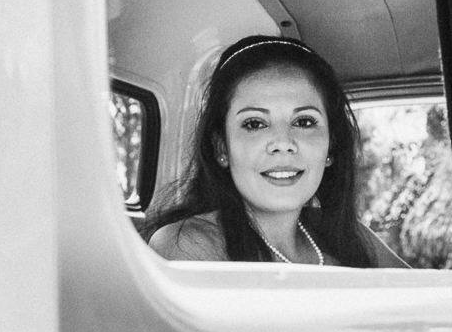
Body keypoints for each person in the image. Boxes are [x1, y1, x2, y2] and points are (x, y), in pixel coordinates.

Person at [145, 34, 404, 267]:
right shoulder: (186, 244)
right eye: (255, 124)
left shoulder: (351, 238)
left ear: (331, 147)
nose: (283, 142)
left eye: (304, 122)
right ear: (222, 147)